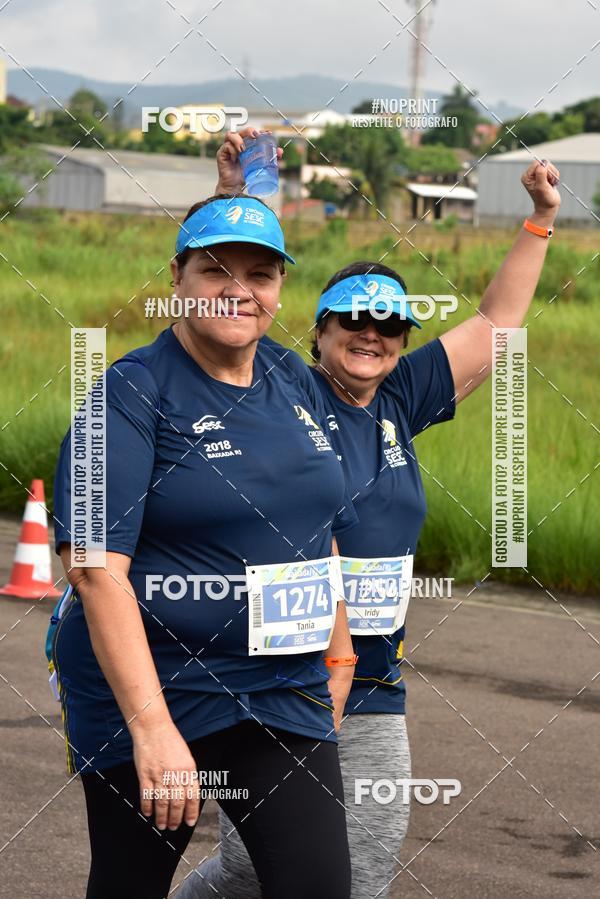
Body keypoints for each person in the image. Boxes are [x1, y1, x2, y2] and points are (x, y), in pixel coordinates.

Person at [176, 134, 561, 897]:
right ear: (315, 332)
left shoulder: (399, 400)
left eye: (388, 326)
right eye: (350, 317)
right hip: (278, 679)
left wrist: (541, 218)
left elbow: (497, 322)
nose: (370, 333)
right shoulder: (283, 386)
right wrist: (235, 194)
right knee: (253, 870)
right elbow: (231, 294)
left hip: (375, 685)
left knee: (368, 863)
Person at [51, 192, 361, 899]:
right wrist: (152, 728)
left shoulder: (294, 380)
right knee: (130, 883)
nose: (238, 290)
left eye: (260, 273)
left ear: (281, 285)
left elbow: (318, 527)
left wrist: (340, 652)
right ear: (177, 277)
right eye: (215, 269)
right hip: (158, 689)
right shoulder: (127, 393)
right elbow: (96, 570)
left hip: (280, 691)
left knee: (318, 885)